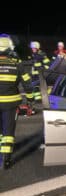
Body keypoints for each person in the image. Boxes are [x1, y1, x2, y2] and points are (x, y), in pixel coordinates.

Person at [0, 34, 33, 169]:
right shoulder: (16, 65)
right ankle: (6, 160)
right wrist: (30, 99)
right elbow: (27, 84)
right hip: (11, 104)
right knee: (8, 132)